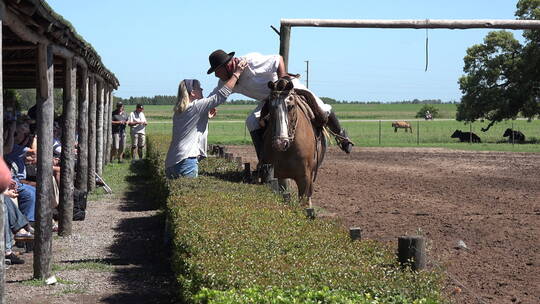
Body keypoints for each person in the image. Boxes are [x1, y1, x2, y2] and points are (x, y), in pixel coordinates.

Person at [207, 49, 354, 162]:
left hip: (288, 88)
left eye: (217, 70)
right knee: (251, 121)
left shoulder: (251, 61)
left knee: (322, 108)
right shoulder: (229, 80)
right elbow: (215, 95)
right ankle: (264, 162)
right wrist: (210, 106)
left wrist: (283, 79)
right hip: (269, 99)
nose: (216, 75)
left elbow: (278, 59)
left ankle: (341, 135)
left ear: (228, 65)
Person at [165, 61, 247, 179]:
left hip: (171, 161)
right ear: (192, 92)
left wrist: (204, 117)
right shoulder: (197, 106)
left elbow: (189, 125)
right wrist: (237, 73)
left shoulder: (180, 110)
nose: (202, 89)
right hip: (186, 159)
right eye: (199, 88)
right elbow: (220, 96)